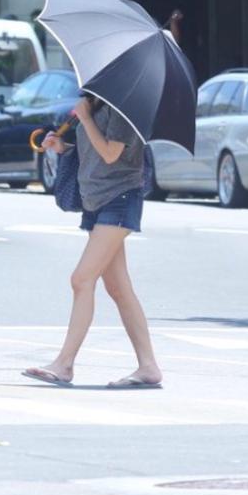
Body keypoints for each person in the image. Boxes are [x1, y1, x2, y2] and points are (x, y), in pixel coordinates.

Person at [23, 94, 162, 389]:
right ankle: (149, 366)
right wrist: (64, 147)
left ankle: (64, 364)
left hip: (120, 199)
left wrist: (85, 118)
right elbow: (96, 152)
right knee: (118, 288)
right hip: (96, 201)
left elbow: (112, 153)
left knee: (81, 279)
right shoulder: (97, 103)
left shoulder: (125, 106)